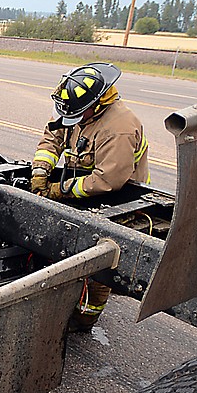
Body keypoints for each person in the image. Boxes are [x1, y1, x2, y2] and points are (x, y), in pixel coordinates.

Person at [30, 62, 149, 330]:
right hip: (81, 189)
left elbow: (107, 180)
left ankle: (85, 316)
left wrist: (58, 190)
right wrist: (40, 170)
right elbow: (53, 135)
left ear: (95, 106)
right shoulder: (74, 106)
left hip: (116, 200)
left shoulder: (119, 128)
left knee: (98, 266)